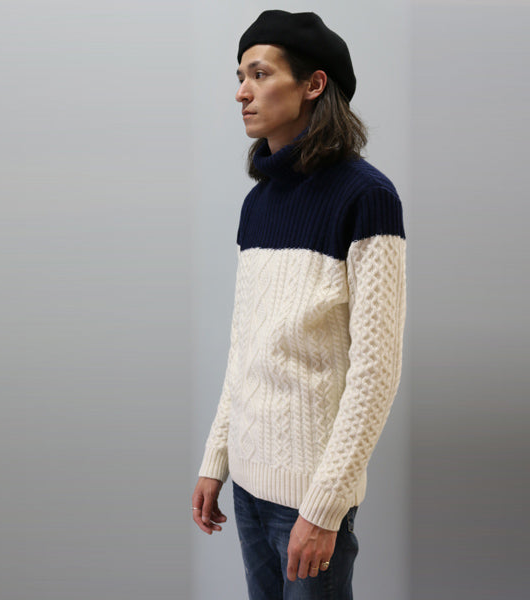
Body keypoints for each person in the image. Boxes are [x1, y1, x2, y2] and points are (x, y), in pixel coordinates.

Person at [192, 10, 407, 600]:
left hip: (308, 500)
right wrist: (216, 459)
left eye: (260, 74)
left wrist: (324, 507)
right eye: (240, 76)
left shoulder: (367, 197)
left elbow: (376, 373)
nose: (242, 92)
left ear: (313, 84)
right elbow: (246, 346)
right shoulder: (258, 205)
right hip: (248, 490)